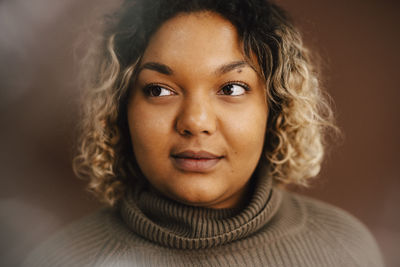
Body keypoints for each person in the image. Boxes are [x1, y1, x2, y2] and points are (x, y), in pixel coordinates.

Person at [24, 0, 384, 266]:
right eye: (159, 90)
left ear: (275, 107)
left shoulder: (345, 248)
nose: (195, 122)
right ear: (120, 110)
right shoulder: (59, 259)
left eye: (231, 89)